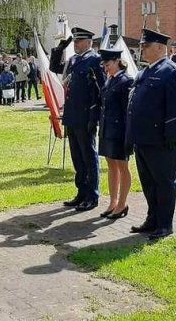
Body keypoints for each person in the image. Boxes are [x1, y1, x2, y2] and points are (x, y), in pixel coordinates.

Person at [126, 28, 176, 241]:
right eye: (142, 46)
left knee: (164, 182)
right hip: (144, 138)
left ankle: (164, 224)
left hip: (163, 139)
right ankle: (152, 219)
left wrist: (171, 133)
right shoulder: (145, 72)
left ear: (161, 48)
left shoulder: (173, 71)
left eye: (146, 46)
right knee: (148, 183)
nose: (142, 49)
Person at [60, 27, 105, 211]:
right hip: (72, 114)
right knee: (77, 157)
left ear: (89, 42)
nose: (76, 44)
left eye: (79, 41)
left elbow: (100, 89)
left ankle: (92, 195)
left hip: (86, 115)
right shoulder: (74, 60)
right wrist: (57, 50)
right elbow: (58, 72)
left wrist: (94, 116)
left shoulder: (95, 60)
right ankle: (81, 191)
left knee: (88, 156)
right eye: (75, 41)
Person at [98, 48, 133, 220]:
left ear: (117, 61)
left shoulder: (126, 81)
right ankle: (113, 202)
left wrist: (128, 134)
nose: (106, 68)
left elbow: (128, 111)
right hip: (107, 128)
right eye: (104, 65)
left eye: (108, 64)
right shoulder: (110, 80)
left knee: (122, 166)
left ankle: (122, 203)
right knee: (111, 166)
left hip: (119, 130)